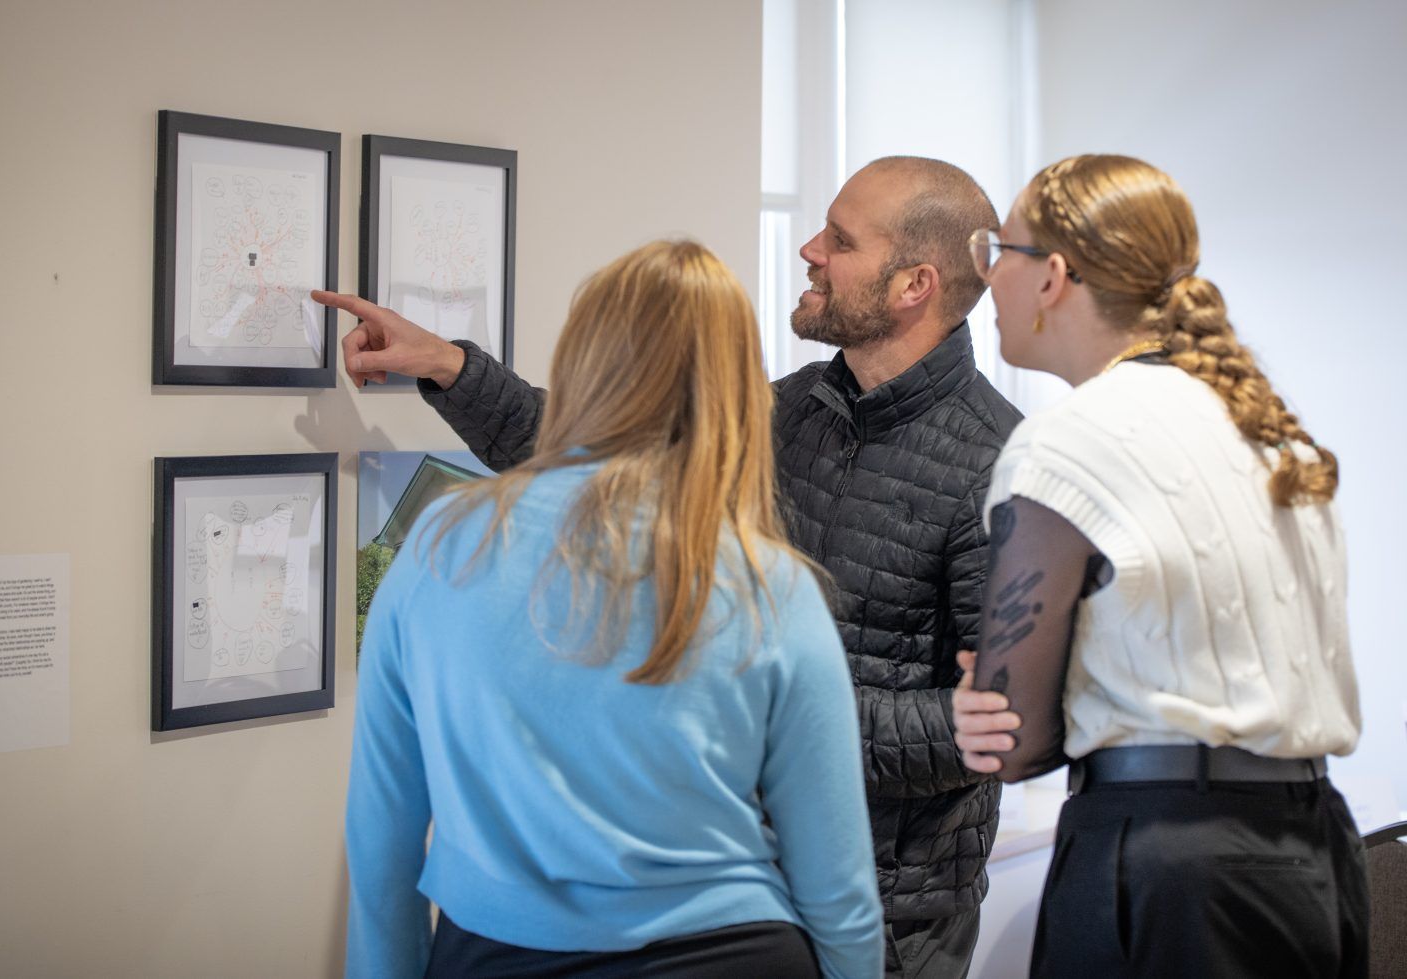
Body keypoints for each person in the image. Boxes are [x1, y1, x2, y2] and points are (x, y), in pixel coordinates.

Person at [321, 156, 1021, 977]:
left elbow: (1000, 725)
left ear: (914, 285)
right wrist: (452, 369)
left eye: (838, 239)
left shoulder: (1002, 464)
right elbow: (605, 456)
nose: (808, 250)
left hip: (897, 909)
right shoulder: (792, 411)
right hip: (751, 880)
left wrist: (763, 705)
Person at [345, 240, 884, 978]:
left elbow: (382, 840)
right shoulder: (771, 583)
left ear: (578, 366)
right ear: (736, 390)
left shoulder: (440, 545)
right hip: (735, 954)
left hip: (495, 952)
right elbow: (839, 884)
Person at [951, 154, 1368, 977]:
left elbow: (1011, 740)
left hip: (1166, 868)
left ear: (1053, 276)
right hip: (1316, 851)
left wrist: (983, 701)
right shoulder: (1268, 429)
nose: (988, 275)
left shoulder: (1069, 440)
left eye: (998, 249)